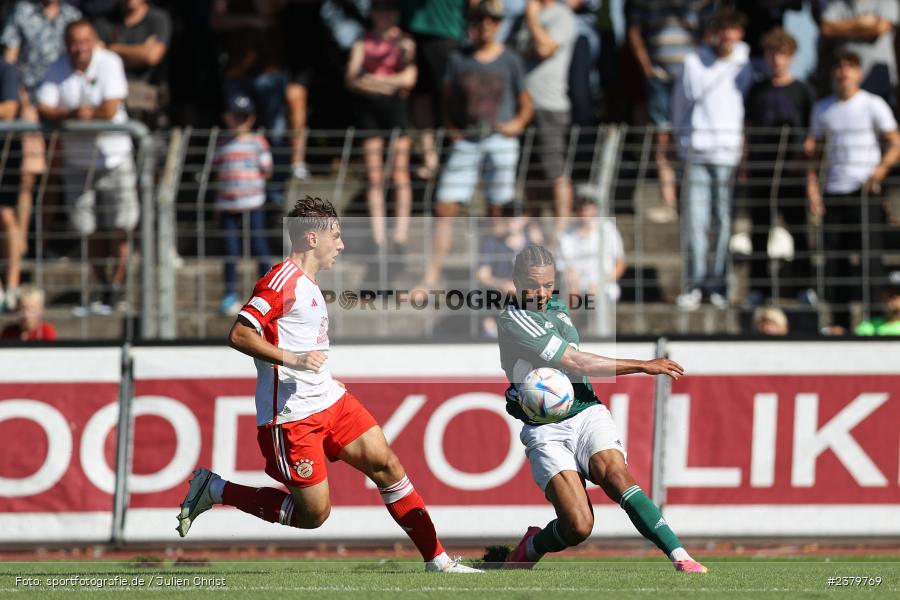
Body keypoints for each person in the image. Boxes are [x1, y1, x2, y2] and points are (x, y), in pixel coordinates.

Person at [177, 196, 481, 574]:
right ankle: (217, 489)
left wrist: (316, 373)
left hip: (331, 402)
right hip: (291, 418)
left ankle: (438, 561)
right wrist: (295, 360)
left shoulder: (308, 284)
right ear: (311, 239)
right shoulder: (280, 281)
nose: (341, 245)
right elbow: (239, 334)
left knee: (387, 465)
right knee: (313, 515)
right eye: (335, 236)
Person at [496, 245, 706, 573]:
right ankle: (533, 545)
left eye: (549, 284)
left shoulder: (558, 307)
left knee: (615, 476)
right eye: (533, 284)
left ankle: (681, 556)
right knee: (578, 525)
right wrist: (642, 365)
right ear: (516, 280)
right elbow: (575, 360)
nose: (541, 293)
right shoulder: (514, 317)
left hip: (586, 410)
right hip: (546, 427)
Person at [423, 0, 533, 290]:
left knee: (498, 210)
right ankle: (431, 276)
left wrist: (516, 125)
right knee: (444, 206)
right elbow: (446, 99)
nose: (485, 24)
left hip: (501, 140)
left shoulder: (510, 59)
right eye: (479, 19)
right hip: (468, 141)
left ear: (499, 24)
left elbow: (526, 103)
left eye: (492, 19)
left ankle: (492, 273)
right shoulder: (459, 58)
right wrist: (452, 129)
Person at [36, 19, 138, 314]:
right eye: (73, 42)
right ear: (67, 44)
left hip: (114, 158)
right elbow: (44, 106)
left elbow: (110, 108)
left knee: (120, 226)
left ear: (93, 41)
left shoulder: (110, 62)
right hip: (77, 162)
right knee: (87, 229)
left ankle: (116, 288)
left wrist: (72, 116)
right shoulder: (56, 67)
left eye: (84, 41)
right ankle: (101, 286)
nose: (79, 48)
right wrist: (75, 113)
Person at [805, 50, 900, 331]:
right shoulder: (822, 108)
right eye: (839, 67)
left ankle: (873, 320)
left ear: (858, 73)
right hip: (834, 191)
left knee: (871, 260)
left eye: (850, 67)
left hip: (865, 191)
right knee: (835, 262)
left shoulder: (873, 104)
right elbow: (814, 153)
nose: (844, 72)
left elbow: (895, 142)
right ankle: (839, 323)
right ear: (833, 73)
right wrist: (812, 189)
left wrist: (879, 171)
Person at [672, 8, 753, 311]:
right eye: (723, 30)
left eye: (733, 30)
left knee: (723, 221)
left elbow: (743, 103)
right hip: (696, 151)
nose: (727, 36)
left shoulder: (745, 62)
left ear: (739, 34)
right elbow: (681, 102)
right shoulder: (693, 62)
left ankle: (718, 283)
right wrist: (681, 143)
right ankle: (694, 284)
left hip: (728, 154)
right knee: (695, 223)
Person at [744, 28, 815, 306]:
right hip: (761, 168)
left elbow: (812, 131)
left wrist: (805, 166)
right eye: (772, 54)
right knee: (759, 231)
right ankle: (759, 289)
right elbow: (748, 129)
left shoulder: (803, 90)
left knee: (799, 230)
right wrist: (746, 163)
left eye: (782, 54)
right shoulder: (757, 90)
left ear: (792, 57)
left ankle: (804, 287)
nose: (776, 60)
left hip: (792, 171)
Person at [345, 0, 416, 277]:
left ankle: (399, 237)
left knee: (400, 175)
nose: (384, 15)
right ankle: (378, 238)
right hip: (371, 113)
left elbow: (409, 78)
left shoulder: (405, 42)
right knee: (374, 176)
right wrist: (388, 82)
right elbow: (351, 77)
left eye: (390, 9)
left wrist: (373, 80)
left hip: (395, 110)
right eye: (380, 9)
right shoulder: (363, 41)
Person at [627, 0, 714, 223]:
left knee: (691, 138)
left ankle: (691, 201)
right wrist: (646, 67)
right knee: (663, 140)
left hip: (691, 81)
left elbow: (708, 31)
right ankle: (669, 202)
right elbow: (634, 31)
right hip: (659, 78)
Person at [518, 0, 577, 236]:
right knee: (529, 174)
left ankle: (561, 235)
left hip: (550, 105)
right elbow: (521, 51)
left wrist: (532, 18)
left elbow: (544, 48)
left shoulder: (562, 15)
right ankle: (535, 235)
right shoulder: (527, 17)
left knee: (555, 171)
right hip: (525, 105)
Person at [213, 94, 273, 315]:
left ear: (252, 118)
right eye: (235, 117)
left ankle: (269, 295)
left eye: (244, 117)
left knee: (259, 248)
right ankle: (230, 294)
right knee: (231, 252)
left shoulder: (258, 142)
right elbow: (217, 173)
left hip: (253, 204)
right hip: (228, 206)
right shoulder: (221, 143)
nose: (239, 122)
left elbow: (267, 170)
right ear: (226, 117)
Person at [400, 0, 467, 180]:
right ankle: (430, 158)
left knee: (450, 96)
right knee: (421, 95)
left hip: (447, 32)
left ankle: (458, 152)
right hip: (411, 32)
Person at [555, 188, 625, 331]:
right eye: (582, 205)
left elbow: (620, 264)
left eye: (589, 205)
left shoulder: (608, 230)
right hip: (575, 287)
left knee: (596, 299)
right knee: (570, 297)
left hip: (604, 285)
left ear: (596, 208)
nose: (585, 210)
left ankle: (601, 335)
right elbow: (563, 267)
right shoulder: (566, 234)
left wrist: (601, 282)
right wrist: (572, 280)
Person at [95, 0, 172, 127]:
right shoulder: (104, 21)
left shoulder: (157, 18)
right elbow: (97, 57)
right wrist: (140, 51)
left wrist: (111, 49)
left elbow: (151, 56)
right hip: (111, 95)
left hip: (146, 97)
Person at [820, 0, 898, 108]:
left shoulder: (886, 2)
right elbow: (826, 28)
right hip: (845, 84)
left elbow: (879, 28)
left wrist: (841, 27)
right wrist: (860, 23)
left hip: (879, 82)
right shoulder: (839, 4)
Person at [476, 207, 529, 337]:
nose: (511, 219)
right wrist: (501, 284)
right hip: (498, 300)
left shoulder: (533, 247)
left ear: (525, 219)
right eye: (508, 215)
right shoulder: (492, 244)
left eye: (516, 215)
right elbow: (482, 275)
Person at [0, 60, 22, 312]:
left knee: (6, 215)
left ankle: (13, 285)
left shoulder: (5, 69)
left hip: (5, 154)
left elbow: (8, 109)